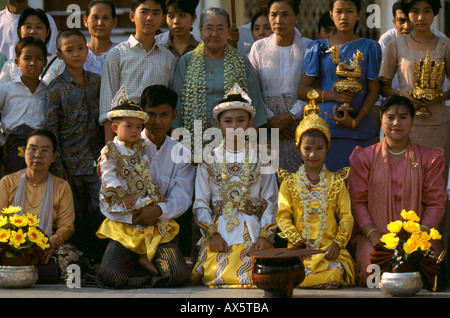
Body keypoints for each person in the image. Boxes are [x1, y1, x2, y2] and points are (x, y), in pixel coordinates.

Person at [85, 85, 195, 289]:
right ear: (142, 115)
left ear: (174, 115)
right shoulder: (120, 146)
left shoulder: (180, 151)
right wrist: (129, 215)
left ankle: (143, 267)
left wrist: (159, 210)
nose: (157, 121)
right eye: (151, 115)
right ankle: (143, 266)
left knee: (177, 274)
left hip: (161, 226)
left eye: (164, 115)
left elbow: (183, 196)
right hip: (127, 223)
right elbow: (108, 188)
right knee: (111, 277)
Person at [348, 95, 446, 285]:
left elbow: (436, 202)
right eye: (390, 117)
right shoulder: (364, 157)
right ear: (381, 119)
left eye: (403, 117)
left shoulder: (429, 158)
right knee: (372, 267)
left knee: (431, 265)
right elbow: (357, 202)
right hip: (376, 234)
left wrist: (420, 234)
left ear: (412, 120)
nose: (396, 123)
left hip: (419, 235)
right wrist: (373, 234)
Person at [192, 84, 278, 288]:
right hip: (220, 232)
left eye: (240, 120)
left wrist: (265, 237)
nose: (234, 127)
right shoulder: (208, 158)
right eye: (228, 121)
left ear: (250, 123)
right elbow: (201, 204)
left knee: (255, 274)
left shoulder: (262, 158)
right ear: (218, 125)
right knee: (217, 274)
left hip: (254, 231)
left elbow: (271, 202)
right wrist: (212, 234)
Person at [277, 90, 356, 288]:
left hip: (329, 250)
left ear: (327, 148)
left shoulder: (336, 182)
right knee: (292, 271)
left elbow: (346, 216)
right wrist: (296, 241)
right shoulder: (289, 183)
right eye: (307, 149)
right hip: (298, 251)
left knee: (336, 272)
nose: (313, 154)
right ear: (298, 149)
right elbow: (283, 216)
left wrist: (338, 243)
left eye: (319, 148)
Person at [96, 98, 179, 277]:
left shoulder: (138, 148)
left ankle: (143, 256)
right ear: (114, 128)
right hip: (122, 200)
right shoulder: (110, 150)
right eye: (129, 126)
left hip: (139, 197)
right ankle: (136, 257)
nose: (135, 131)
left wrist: (154, 193)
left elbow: (144, 174)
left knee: (145, 221)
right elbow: (108, 175)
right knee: (133, 221)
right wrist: (122, 195)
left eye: (138, 127)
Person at [298, 0, 381, 172]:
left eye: (349, 11)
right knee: (328, 188)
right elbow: (303, 91)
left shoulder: (370, 47)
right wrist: (335, 96)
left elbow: (374, 91)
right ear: (331, 14)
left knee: (360, 188)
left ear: (359, 15)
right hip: (327, 130)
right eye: (339, 11)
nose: (344, 17)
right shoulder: (318, 48)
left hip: (361, 129)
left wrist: (354, 121)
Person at [171, 7, 267, 156]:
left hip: (234, 147)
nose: (214, 34)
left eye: (220, 29)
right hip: (193, 146)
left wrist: (248, 151)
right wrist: (182, 149)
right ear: (201, 30)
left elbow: (255, 108)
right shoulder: (186, 62)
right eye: (209, 28)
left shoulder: (241, 62)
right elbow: (176, 108)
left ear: (229, 31)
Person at [44, 29, 105, 265]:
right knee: (74, 214)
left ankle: (99, 255)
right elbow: (51, 129)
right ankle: (79, 260)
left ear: (87, 49)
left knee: (101, 207)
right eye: (69, 50)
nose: (76, 54)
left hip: (96, 162)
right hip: (69, 164)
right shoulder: (56, 88)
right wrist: (57, 166)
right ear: (60, 55)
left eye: (80, 48)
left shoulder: (97, 82)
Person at [0, 129, 90, 283]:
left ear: (54, 156)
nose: (37, 155)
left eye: (45, 150)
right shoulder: (7, 182)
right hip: (12, 242)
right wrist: (13, 244)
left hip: (48, 244)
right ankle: (38, 271)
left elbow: (67, 226)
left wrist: (51, 243)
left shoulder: (62, 186)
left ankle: (22, 271)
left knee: (71, 260)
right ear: (23, 151)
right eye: (33, 149)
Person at [379, 0, 450, 166]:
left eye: (426, 11)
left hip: (438, 123)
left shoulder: (445, 45)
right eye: (415, 11)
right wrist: (403, 95)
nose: (420, 17)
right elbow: (383, 88)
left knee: (435, 179)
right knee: (404, 179)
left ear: (434, 13)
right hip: (404, 124)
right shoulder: (396, 45)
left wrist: (440, 96)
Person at [99, 0, 176, 144]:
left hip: (156, 135)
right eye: (144, 12)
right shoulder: (117, 54)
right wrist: (111, 147)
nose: (149, 18)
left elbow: (170, 105)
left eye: (155, 13)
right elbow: (106, 107)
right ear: (132, 16)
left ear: (162, 18)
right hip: (124, 135)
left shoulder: (169, 58)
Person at [249, 0, 311, 173]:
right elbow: (252, 89)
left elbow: (314, 88)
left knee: (299, 182)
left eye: (285, 15)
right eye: (273, 14)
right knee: (268, 178)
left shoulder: (309, 47)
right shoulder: (258, 48)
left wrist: (291, 117)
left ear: (297, 17)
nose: (278, 20)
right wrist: (270, 120)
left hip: (300, 126)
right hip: (266, 126)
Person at [0, 37, 48, 175]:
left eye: (38, 58)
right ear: (17, 62)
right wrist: (3, 141)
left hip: (41, 144)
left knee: (37, 184)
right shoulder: (6, 89)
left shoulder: (48, 91)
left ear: (45, 62)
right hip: (15, 144)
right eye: (27, 58)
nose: (33, 63)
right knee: (15, 183)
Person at [0, 7, 64, 85]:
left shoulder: (60, 63)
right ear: (20, 31)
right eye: (28, 27)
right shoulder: (10, 65)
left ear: (47, 32)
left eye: (39, 27)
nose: (33, 31)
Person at [83, 0, 118, 76]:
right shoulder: (79, 53)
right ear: (85, 21)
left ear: (114, 22)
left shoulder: (121, 52)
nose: (100, 23)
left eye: (105, 18)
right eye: (95, 17)